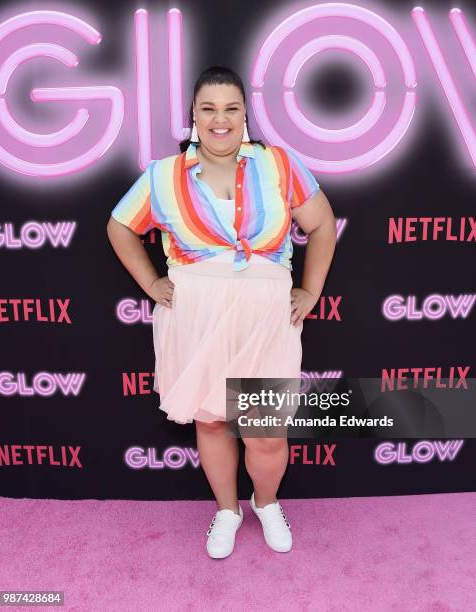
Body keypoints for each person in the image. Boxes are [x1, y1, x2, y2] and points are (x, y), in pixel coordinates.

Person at [107, 66, 337, 559]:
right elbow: (120, 226)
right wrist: (151, 281)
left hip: (263, 316)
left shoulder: (279, 164)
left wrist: (311, 289)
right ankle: (227, 510)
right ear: (192, 114)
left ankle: (267, 502)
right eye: (208, 108)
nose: (220, 119)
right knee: (211, 422)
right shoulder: (162, 176)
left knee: (267, 435)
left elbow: (321, 224)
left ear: (245, 115)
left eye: (231, 108)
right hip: (197, 315)